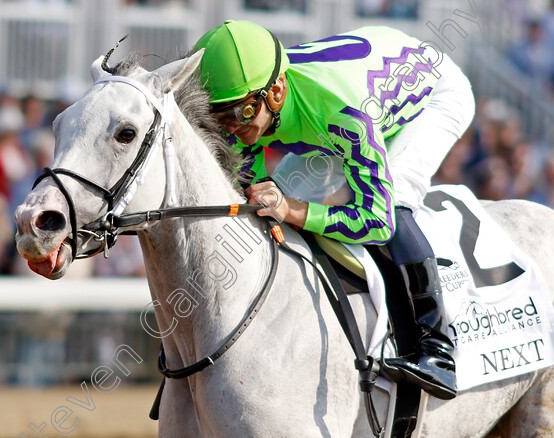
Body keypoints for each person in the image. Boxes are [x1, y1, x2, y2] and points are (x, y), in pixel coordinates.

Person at [194, 21, 476, 400]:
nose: (230, 129)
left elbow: (378, 222)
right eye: (218, 117)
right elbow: (249, 190)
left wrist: (293, 210)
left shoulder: (341, 114)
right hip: (355, 94)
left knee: (396, 201)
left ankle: (438, 349)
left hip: (433, 95)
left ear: (275, 92)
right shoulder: (251, 101)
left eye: (240, 114)